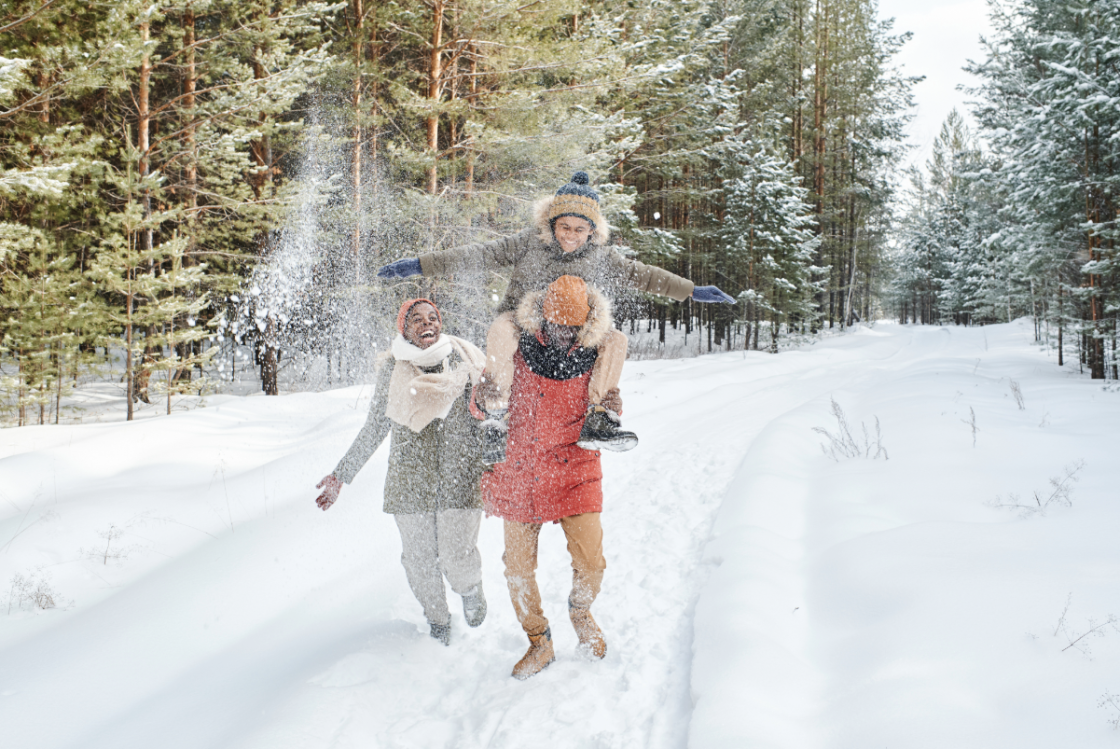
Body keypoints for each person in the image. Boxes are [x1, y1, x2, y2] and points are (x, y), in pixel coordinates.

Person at [375, 171, 734, 462]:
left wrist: (691, 290)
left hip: (575, 332)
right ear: (553, 223)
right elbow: (478, 254)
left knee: (617, 340)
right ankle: (497, 416)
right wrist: (420, 265)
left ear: (592, 231)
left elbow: (647, 275)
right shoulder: (528, 243)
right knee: (501, 327)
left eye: (580, 230)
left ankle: (600, 418)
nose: (571, 237)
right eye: (565, 228)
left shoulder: (602, 256)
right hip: (525, 321)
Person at [315, 298, 488, 646]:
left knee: (457, 556)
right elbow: (376, 426)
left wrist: (499, 470)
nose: (428, 324)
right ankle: (438, 620)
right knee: (419, 562)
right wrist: (340, 474)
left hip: (461, 474)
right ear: (404, 328)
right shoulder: (393, 370)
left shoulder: (464, 361)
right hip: (411, 480)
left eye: (433, 317)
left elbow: (489, 419)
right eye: (417, 319)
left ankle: (469, 589)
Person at [476, 275, 624, 679]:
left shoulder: (596, 357)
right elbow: (479, 409)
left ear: (584, 325)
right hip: (518, 472)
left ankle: (581, 611)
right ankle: (539, 641)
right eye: (555, 323)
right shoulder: (514, 350)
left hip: (574, 470)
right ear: (541, 317)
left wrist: (611, 409)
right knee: (518, 570)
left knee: (592, 561)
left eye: (570, 327)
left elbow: (610, 405)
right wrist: (483, 398)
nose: (561, 333)